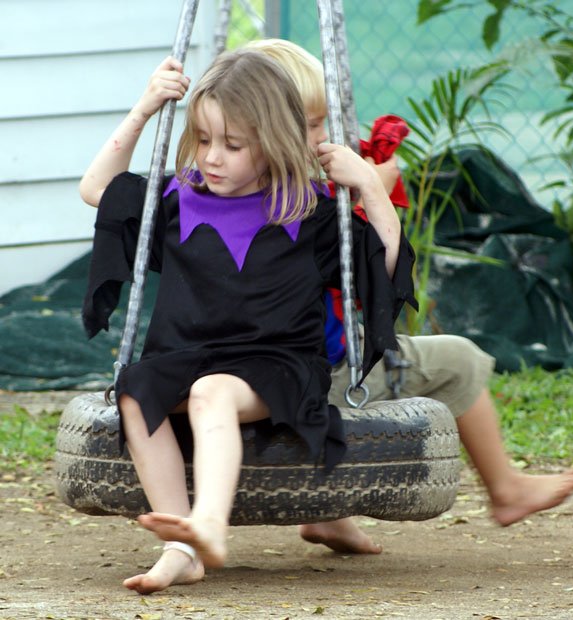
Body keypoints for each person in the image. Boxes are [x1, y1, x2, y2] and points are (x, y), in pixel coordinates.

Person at [79, 49, 416, 593]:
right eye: (205, 139)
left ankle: (209, 522)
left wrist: (370, 188)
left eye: (232, 145)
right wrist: (144, 109)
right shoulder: (178, 199)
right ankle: (181, 547)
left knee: (213, 392)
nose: (213, 157)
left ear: (276, 142)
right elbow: (97, 190)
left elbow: (386, 267)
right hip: (186, 357)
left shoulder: (306, 211)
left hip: (278, 362)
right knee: (136, 389)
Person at [244, 38, 573, 555]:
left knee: (367, 345)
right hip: (317, 377)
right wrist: (370, 190)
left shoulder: (230, 192)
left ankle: (329, 515)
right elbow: (369, 270)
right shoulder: (307, 201)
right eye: (313, 126)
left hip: (266, 373)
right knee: (459, 360)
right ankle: (506, 489)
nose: (324, 137)